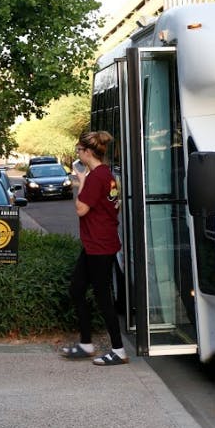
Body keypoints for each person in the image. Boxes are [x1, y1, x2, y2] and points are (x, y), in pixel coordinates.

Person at [59, 130, 126, 366]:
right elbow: (113, 206)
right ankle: (86, 343)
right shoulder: (107, 175)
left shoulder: (96, 177)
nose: (77, 153)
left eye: (79, 150)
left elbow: (81, 209)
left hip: (99, 245)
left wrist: (82, 184)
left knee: (102, 297)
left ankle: (118, 350)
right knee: (77, 289)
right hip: (96, 243)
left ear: (87, 152)